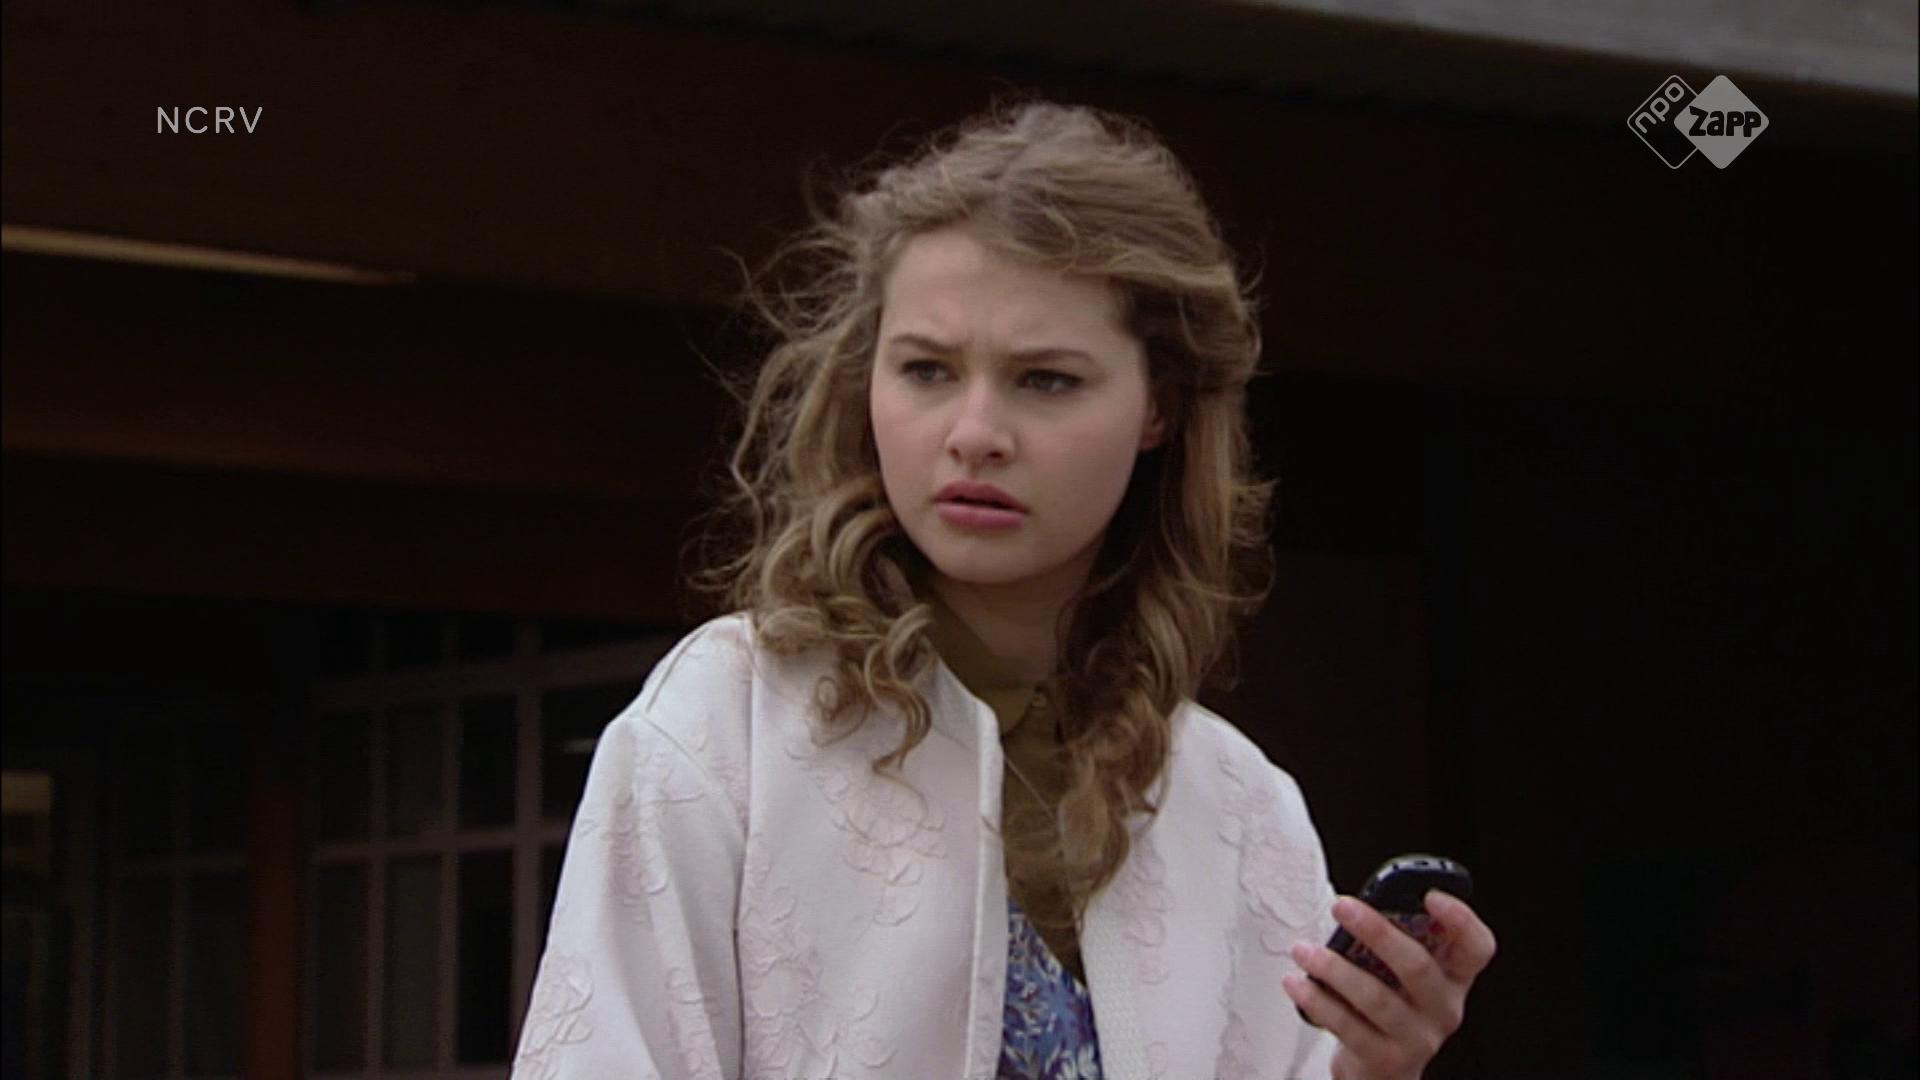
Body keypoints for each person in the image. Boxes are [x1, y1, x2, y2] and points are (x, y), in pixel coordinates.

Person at [511, 98, 1495, 1080]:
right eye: (927, 369)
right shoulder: (728, 724)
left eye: (1046, 379)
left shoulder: (1239, 808)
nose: (974, 433)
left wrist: (1370, 1071)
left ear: (1158, 408)